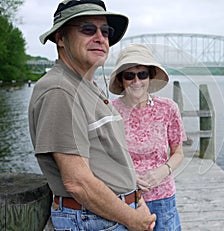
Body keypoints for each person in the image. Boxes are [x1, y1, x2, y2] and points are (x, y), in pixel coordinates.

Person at [28, 1, 156, 230]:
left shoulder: (87, 86)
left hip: (112, 214)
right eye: (88, 29)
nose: (100, 37)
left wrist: (137, 201)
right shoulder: (60, 90)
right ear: (60, 38)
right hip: (94, 219)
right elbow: (77, 182)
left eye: (106, 31)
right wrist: (131, 218)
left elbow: (111, 160)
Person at [109, 43, 186, 230]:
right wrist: (130, 177)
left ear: (150, 77)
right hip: (124, 199)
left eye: (142, 74)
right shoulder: (109, 110)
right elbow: (105, 157)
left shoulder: (168, 108)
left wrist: (161, 172)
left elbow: (178, 153)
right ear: (121, 80)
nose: (137, 81)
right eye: (129, 75)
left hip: (164, 198)